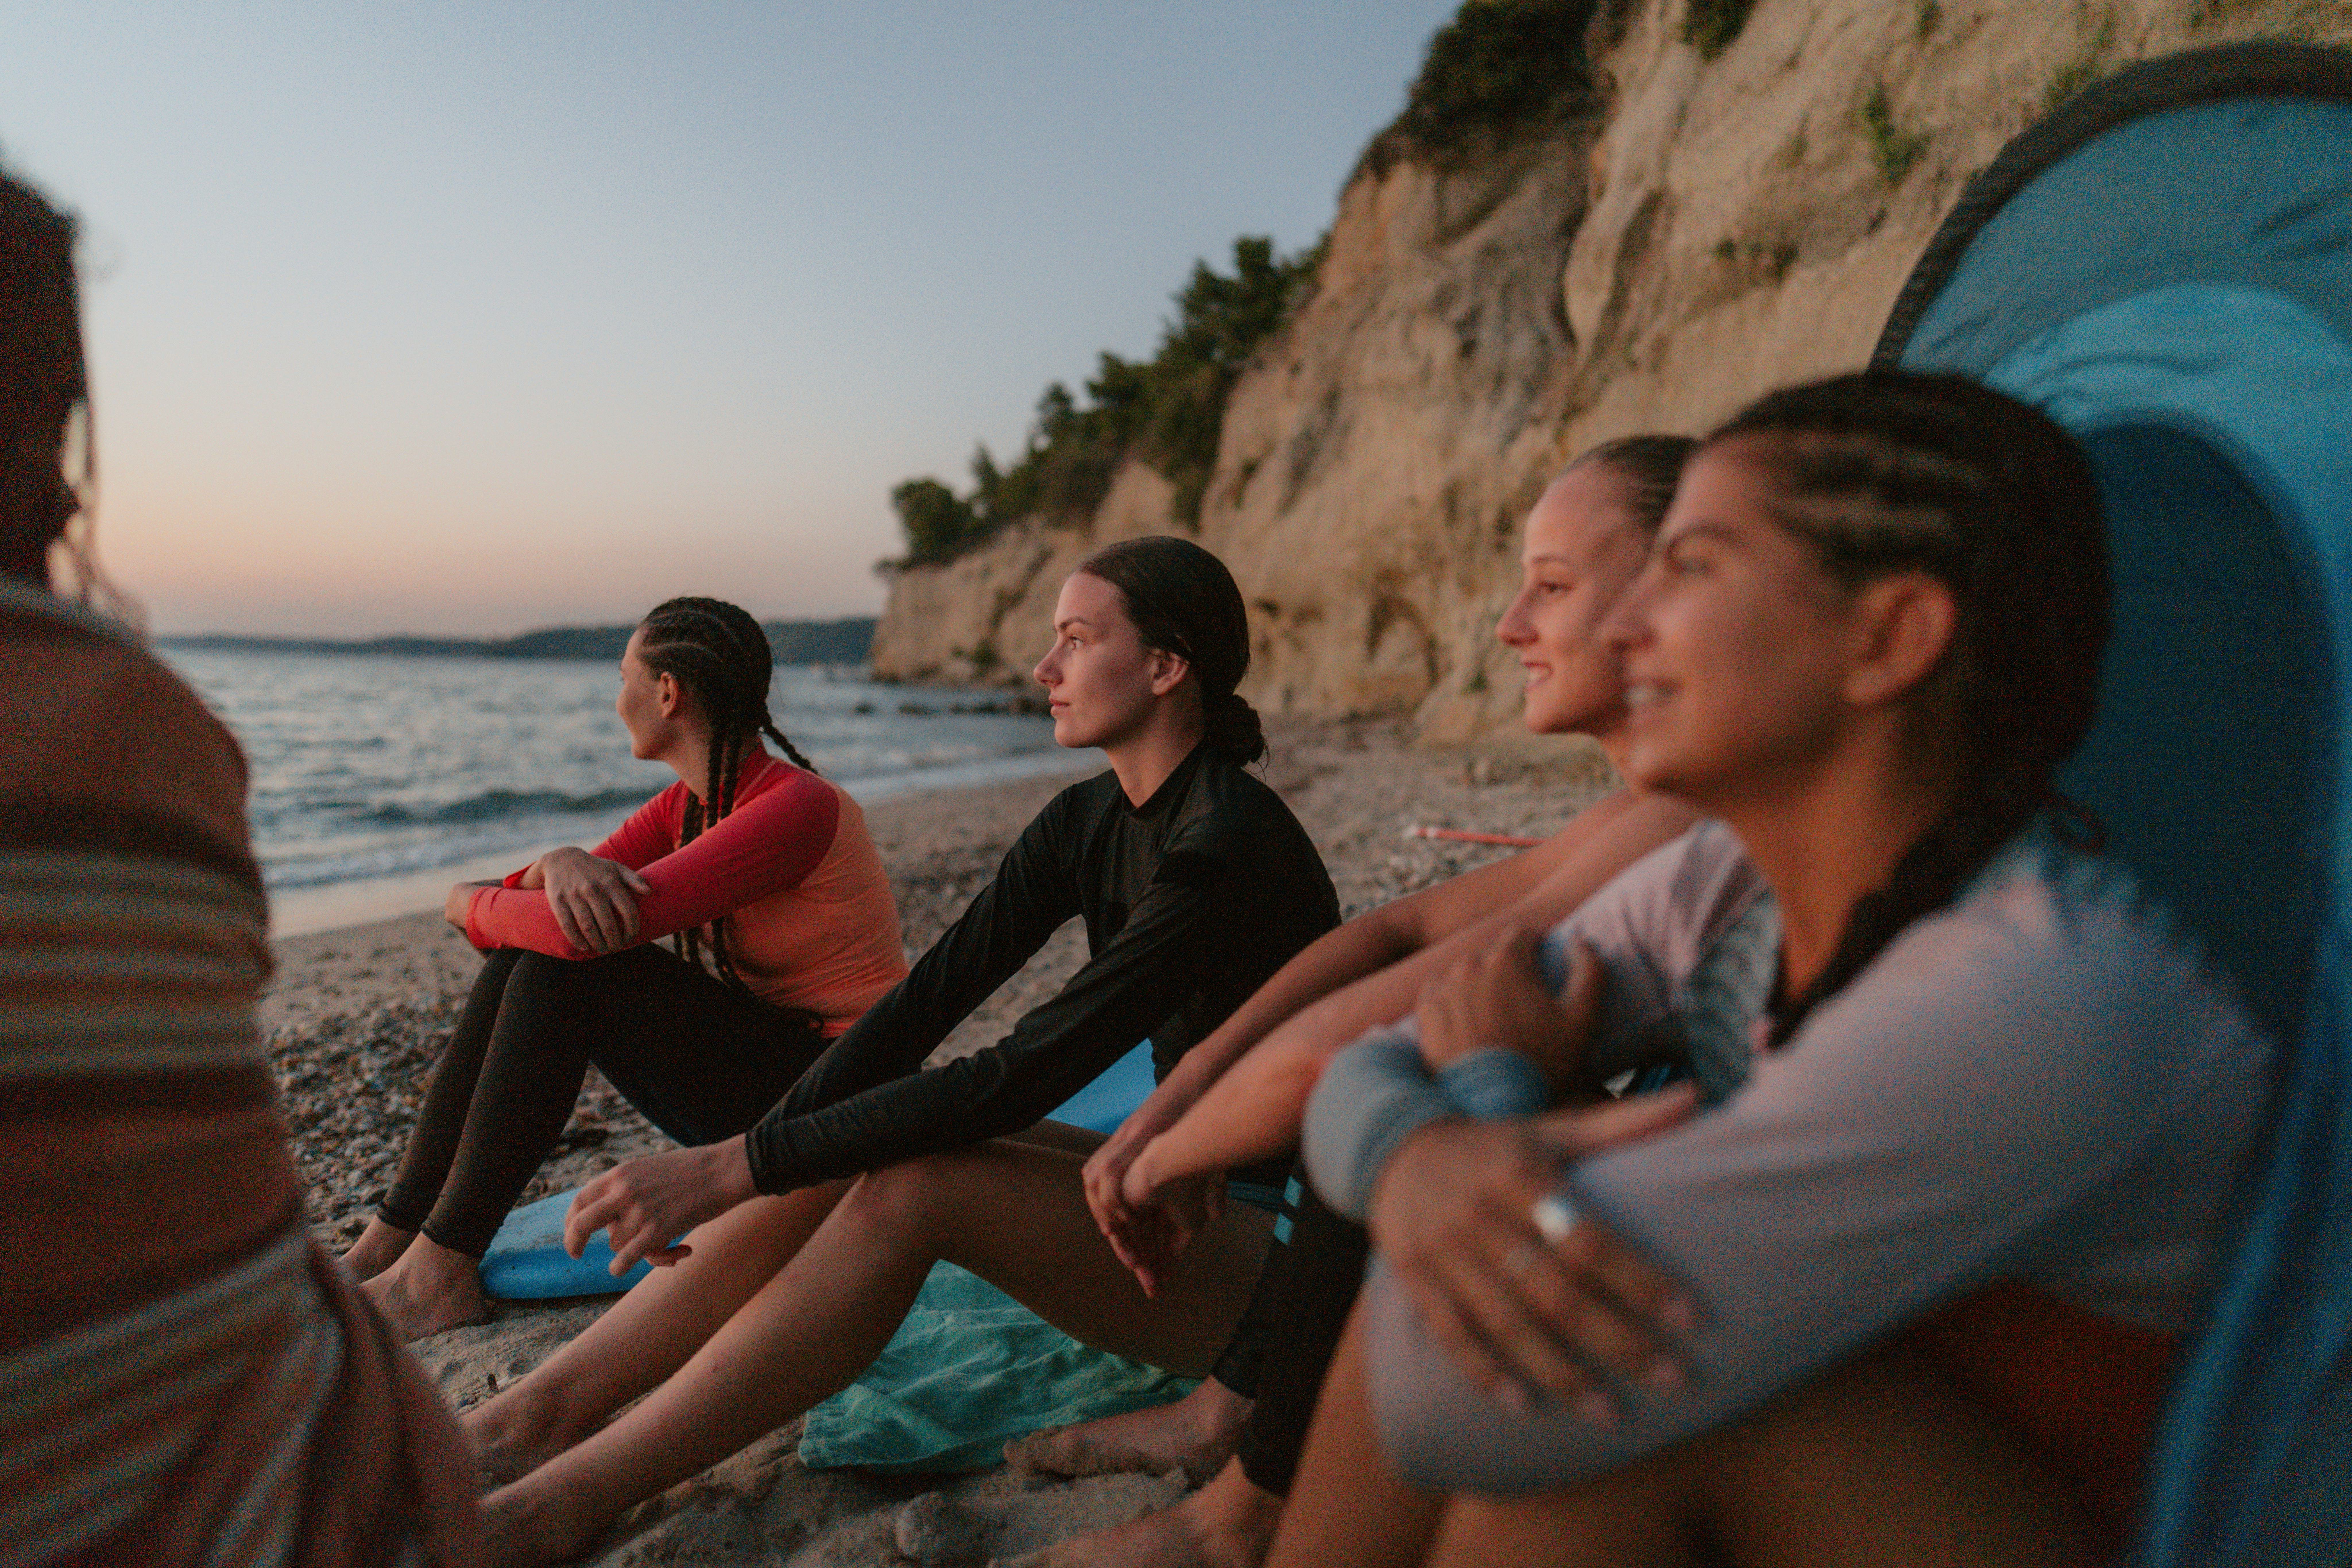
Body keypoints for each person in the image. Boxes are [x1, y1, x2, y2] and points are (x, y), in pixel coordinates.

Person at [1270, 371, 2275, 1568]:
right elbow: (1362, 1064)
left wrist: (1485, 1107)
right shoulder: (1722, 885)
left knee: (1526, 1354)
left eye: (1690, 568)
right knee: (1534, 1362)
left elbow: (1443, 1399)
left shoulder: (2033, 996)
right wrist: (1417, 1154)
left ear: (1886, 637)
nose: (1627, 623)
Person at [465, 535, 1343, 1564]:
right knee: (853, 1139)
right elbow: (920, 1009)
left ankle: (558, 1505)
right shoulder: (1091, 818)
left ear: (1165, 667)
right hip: (1179, 1185)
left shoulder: (1225, 843)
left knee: (917, 1180)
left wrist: (736, 1164)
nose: (1043, 670)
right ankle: (522, 1425)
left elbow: (1023, 1071)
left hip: (1291, 1253)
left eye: (1074, 640)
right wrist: (758, 1155)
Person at [998, 436, 1704, 1568]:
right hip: (1647, 1233)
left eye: (1553, 585)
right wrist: (1184, 1092)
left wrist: (1159, 1146)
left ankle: (1236, 1503)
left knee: (1392, 1073)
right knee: (1388, 1063)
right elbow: (1397, 930)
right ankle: (1235, 1459)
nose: (1508, 622)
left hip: (1675, 1303)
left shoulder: (1690, 839)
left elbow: (1387, 1016)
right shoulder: (1643, 816)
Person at [0, 168, 479, 1564]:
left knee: (544, 965)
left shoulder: (781, 810)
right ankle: (413, 1251)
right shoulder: (137, 715)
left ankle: (419, 1251)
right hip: (296, 1479)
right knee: (532, 959)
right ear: (56, 418)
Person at [343, 595, 908, 1339]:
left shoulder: (795, 808)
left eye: (624, 678)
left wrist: (461, 899)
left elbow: (573, 942)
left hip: (849, 1098)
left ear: (667, 692)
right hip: (775, 1077)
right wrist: (556, 862)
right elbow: (532, 924)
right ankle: (391, 1243)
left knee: (570, 968)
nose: (618, 701)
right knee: (540, 955)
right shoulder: (686, 808)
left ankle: (437, 1272)